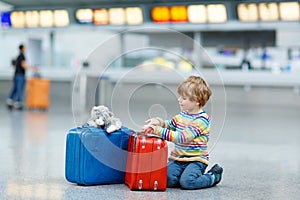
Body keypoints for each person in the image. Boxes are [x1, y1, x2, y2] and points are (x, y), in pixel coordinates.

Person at [142, 75, 223, 189]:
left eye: (184, 98)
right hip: (178, 158)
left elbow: (182, 137)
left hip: (195, 160)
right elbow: (170, 124)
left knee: (188, 183)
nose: (179, 100)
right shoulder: (182, 115)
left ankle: (213, 176)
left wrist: (158, 131)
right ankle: (181, 176)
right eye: (180, 96)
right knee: (167, 180)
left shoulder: (202, 120)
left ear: (197, 101)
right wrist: (159, 122)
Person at [6, 44, 37, 110]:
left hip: (16, 75)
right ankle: (18, 103)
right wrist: (33, 68)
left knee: (15, 88)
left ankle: (9, 101)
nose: (26, 49)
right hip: (20, 75)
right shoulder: (22, 56)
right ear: (22, 49)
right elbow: (24, 66)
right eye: (25, 48)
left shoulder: (18, 56)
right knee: (19, 89)